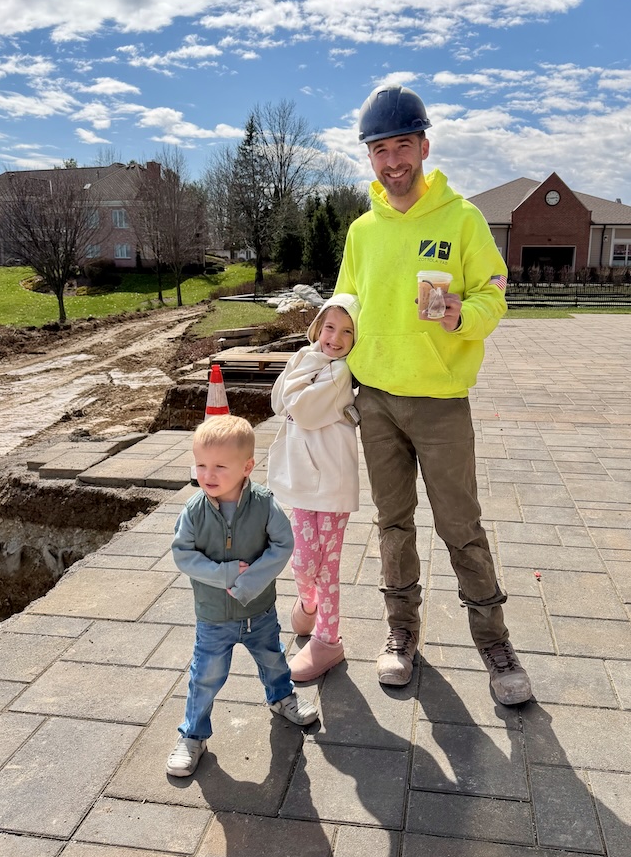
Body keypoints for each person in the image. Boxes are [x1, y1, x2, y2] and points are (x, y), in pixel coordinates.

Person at [333, 83, 532, 706]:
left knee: (460, 526)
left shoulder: (463, 219)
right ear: (369, 157)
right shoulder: (363, 231)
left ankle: (495, 645)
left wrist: (459, 317)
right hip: (376, 400)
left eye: (402, 146)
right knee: (392, 524)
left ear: (423, 146)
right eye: (379, 150)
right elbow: (346, 303)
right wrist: (326, 350)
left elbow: (494, 293)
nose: (392, 161)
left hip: (442, 402)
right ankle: (400, 634)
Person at [166, 414, 318, 777]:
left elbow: (283, 544)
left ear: (247, 466)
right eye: (201, 465)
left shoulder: (264, 504)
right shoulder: (194, 510)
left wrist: (248, 584)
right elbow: (183, 554)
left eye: (220, 466)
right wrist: (226, 574)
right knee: (205, 675)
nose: (208, 474)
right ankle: (193, 735)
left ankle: (282, 698)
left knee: (273, 660)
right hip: (214, 615)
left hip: (259, 611)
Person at [267, 294, 361, 681]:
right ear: (317, 327)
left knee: (328, 565)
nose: (335, 339)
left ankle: (328, 639)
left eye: (347, 332)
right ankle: (308, 605)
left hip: (333, 480)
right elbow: (277, 403)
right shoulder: (304, 358)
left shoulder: (341, 372)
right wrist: (303, 373)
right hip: (303, 478)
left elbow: (301, 410)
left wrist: (298, 384)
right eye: (329, 328)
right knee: (305, 561)